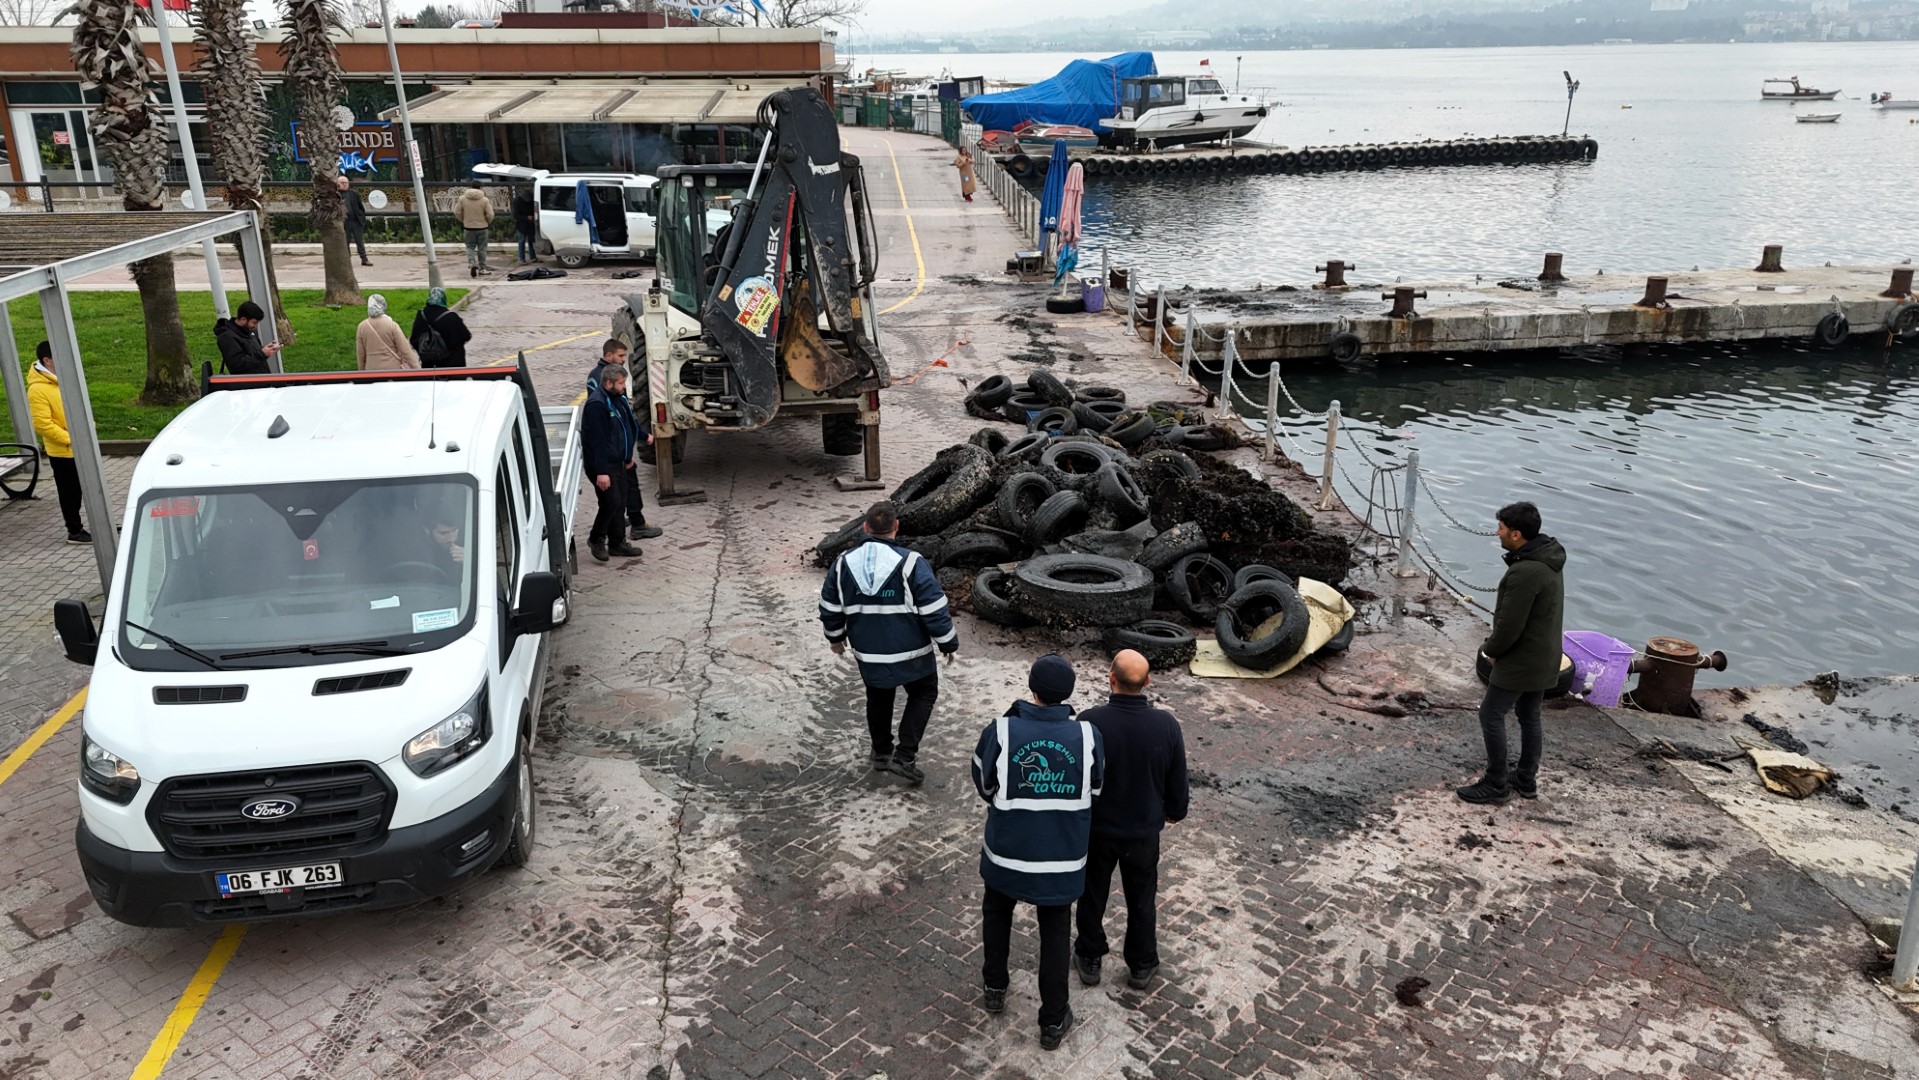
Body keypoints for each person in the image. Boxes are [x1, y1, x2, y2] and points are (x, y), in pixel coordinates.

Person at [971, 655, 1103, 1052]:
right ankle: (1052, 1019)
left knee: (996, 913)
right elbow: (1095, 790)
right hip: (1061, 859)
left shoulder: (1002, 730)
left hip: (1007, 852)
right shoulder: (1089, 736)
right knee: (1055, 932)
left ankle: (995, 986)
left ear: (1032, 689)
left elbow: (984, 782)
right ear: (1069, 694)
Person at [818, 500, 958, 786]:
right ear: (896, 527)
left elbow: (830, 606)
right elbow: (933, 608)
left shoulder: (843, 563)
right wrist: (947, 643)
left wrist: (835, 637)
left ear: (866, 527)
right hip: (913, 653)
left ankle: (882, 752)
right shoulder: (911, 562)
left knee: (879, 695)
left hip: (868, 654)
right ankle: (905, 756)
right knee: (923, 693)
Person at [1073, 649, 1188, 993]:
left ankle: (1090, 956)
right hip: (1143, 832)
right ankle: (1141, 963)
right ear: (1148, 682)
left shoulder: (1090, 721)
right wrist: (1175, 810)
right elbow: (1177, 778)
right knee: (1142, 898)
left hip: (1098, 829)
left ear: (1111, 679)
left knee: (1092, 893)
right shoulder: (1166, 724)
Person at [1457, 501, 1567, 805]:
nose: (1498, 533)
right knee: (1529, 714)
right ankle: (1526, 779)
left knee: (1490, 713)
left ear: (1516, 534)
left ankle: (1496, 783)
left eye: (1502, 528)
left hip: (1522, 659)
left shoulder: (1526, 572)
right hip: (1546, 655)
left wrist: (1489, 651)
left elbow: (1509, 625)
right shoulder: (1548, 558)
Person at [584, 339, 662, 541]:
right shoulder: (600, 388)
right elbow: (604, 432)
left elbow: (627, 417)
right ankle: (628, 527)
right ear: (608, 355)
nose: (623, 360)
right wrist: (617, 458)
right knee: (616, 499)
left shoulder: (615, 384)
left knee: (621, 496)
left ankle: (625, 528)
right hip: (614, 456)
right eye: (620, 356)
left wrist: (642, 436)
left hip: (620, 453)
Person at [26, 341, 89, 545]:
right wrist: (72, 440)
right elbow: (43, 425)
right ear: (47, 360)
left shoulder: (63, 379)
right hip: (63, 451)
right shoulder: (37, 390)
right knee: (70, 492)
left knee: (84, 488)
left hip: (79, 445)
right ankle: (75, 531)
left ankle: (97, 524)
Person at [580, 364, 643, 563]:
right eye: (621, 383)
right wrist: (601, 472)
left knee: (620, 501)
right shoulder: (598, 405)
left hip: (618, 461)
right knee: (610, 502)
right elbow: (598, 441)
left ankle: (617, 543)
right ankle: (596, 538)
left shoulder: (617, 399)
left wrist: (628, 455)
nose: (624, 387)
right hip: (603, 465)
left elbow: (626, 427)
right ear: (608, 383)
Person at [409, 287, 472, 368]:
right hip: (453, 367)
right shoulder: (451, 317)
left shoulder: (421, 316)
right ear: (443, 299)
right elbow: (466, 336)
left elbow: (413, 340)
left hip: (429, 367)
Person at [213, 300, 280, 375]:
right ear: (243, 319)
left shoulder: (249, 331)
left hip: (261, 379)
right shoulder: (227, 337)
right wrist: (262, 354)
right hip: (248, 382)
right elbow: (236, 365)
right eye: (254, 322)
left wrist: (267, 349)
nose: (255, 326)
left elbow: (252, 353)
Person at [355, 294, 418, 371]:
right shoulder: (392, 325)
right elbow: (405, 350)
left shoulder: (362, 327)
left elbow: (360, 354)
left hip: (371, 369)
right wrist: (416, 367)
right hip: (392, 369)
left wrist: (361, 371)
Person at [455, 186, 496, 277]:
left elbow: (457, 212)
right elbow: (490, 214)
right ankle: (482, 268)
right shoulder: (484, 200)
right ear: (481, 188)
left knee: (470, 246)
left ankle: (472, 262)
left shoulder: (462, 199)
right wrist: (487, 222)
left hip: (468, 227)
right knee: (482, 248)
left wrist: (464, 220)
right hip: (482, 227)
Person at [338, 175, 370, 267]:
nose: (344, 185)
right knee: (345, 241)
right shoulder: (336, 195)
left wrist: (361, 216)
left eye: (346, 183)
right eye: (342, 183)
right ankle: (347, 260)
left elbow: (360, 207)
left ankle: (364, 259)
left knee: (359, 241)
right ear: (338, 184)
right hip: (345, 222)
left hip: (356, 221)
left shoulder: (354, 194)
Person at [512, 185, 539, 264]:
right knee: (521, 241)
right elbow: (516, 215)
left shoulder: (531, 201)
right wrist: (527, 218)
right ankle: (522, 259)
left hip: (530, 224)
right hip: (522, 224)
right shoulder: (517, 202)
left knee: (531, 241)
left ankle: (532, 257)